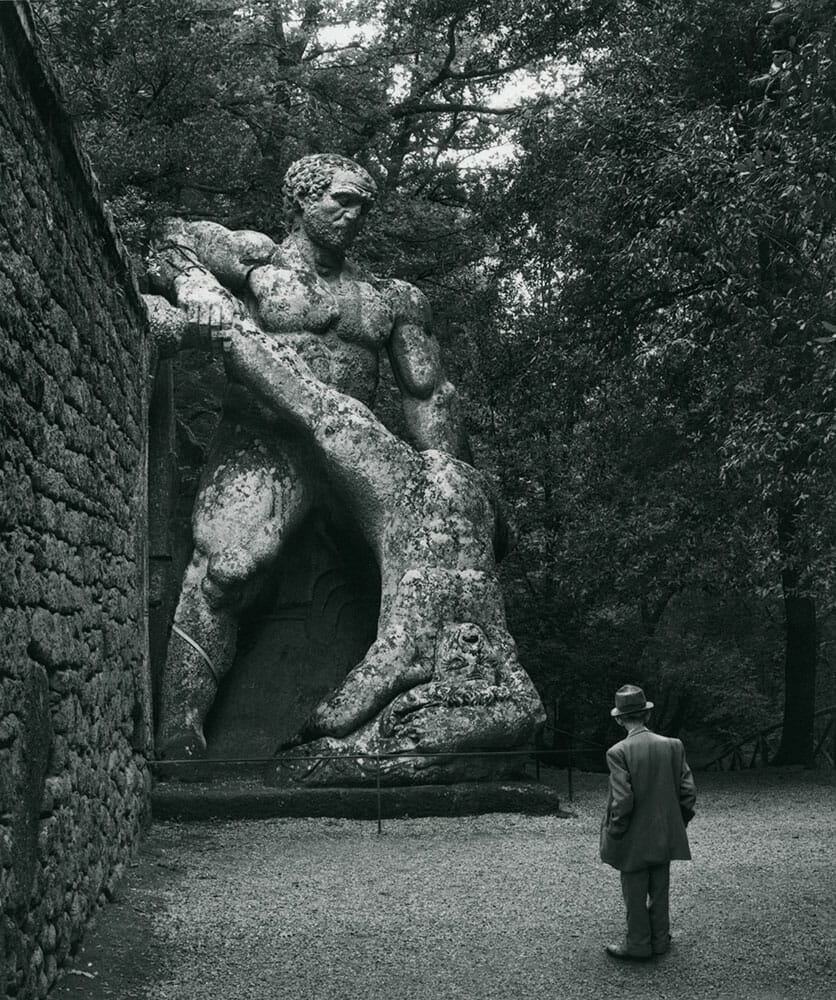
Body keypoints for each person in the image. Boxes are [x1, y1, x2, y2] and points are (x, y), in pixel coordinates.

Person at [145, 153, 470, 759]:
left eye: (362, 206)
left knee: (431, 568)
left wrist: (450, 479)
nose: (353, 215)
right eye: (339, 200)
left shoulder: (389, 299)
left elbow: (429, 396)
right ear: (301, 200)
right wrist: (197, 287)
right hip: (267, 438)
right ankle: (180, 731)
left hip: (357, 447)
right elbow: (164, 238)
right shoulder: (259, 262)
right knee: (229, 565)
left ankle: (419, 718)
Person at [209, 320, 545, 784]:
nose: (464, 657)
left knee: (322, 408)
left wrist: (315, 730)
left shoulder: (472, 631)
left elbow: (379, 679)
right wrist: (312, 730)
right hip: (437, 496)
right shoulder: (450, 634)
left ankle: (229, 328)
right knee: (321, 410)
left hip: (460, 493)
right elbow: (368, 689)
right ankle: (228, 328)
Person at [600, 684, 696, 960]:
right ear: (647, 715)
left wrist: (616, 831)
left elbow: (622, 799)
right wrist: (678, 822)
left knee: (634, 892)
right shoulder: (673, 746)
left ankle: (638, 944)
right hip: (664, 832)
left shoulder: (617, 752)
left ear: (619, 718)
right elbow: (688, 793)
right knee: (660, 889)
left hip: (632, 836)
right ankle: (660, 940)